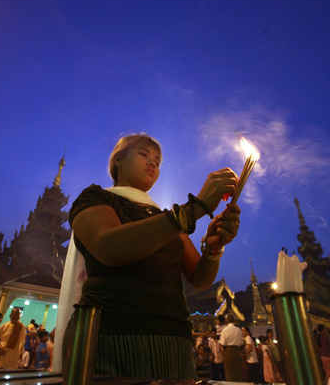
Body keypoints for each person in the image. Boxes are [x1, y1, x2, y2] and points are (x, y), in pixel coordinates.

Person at [58, 134, 241, 380]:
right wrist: (195, 208)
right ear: (119, 160)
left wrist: (212, 247)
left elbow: (199, 278)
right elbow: (109, 246)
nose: (153, 163)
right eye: (144, 154)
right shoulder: (97, 198)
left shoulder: (165, 217)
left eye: (157, 160)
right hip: (112, 334)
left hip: (175, 336)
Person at [219, 314, 246, 381]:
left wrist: (223, 354)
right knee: (238, 371)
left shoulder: (225, 330)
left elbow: (222, 344)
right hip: (237, 352)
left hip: (228, 352)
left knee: (229, 372)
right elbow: (242, 343)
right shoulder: (238, 330)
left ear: (226, 320)